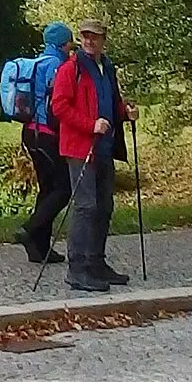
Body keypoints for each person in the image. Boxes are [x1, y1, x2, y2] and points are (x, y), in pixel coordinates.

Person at [47, 17, 137, 294]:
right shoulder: (70, 69)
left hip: (104, 147)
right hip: (79, 148)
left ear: (103, 40)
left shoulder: (106, 68)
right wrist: (90, 125)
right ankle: (77, 269)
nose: (89, 41)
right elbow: (59, 107)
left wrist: (125, 112)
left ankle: (97, 262)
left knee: (104, 206)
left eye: (94, 37)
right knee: (85, 207)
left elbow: (110, 102)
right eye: (85, 36)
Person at [14, 20, 75, 266]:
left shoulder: (37, 63)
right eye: (70, 41)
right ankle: (30, 229)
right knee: (64, 187)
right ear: (63, 43)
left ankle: (39, 249)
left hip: (30, 132)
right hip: (48, 134)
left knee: (48, 188)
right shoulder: (57, 66)